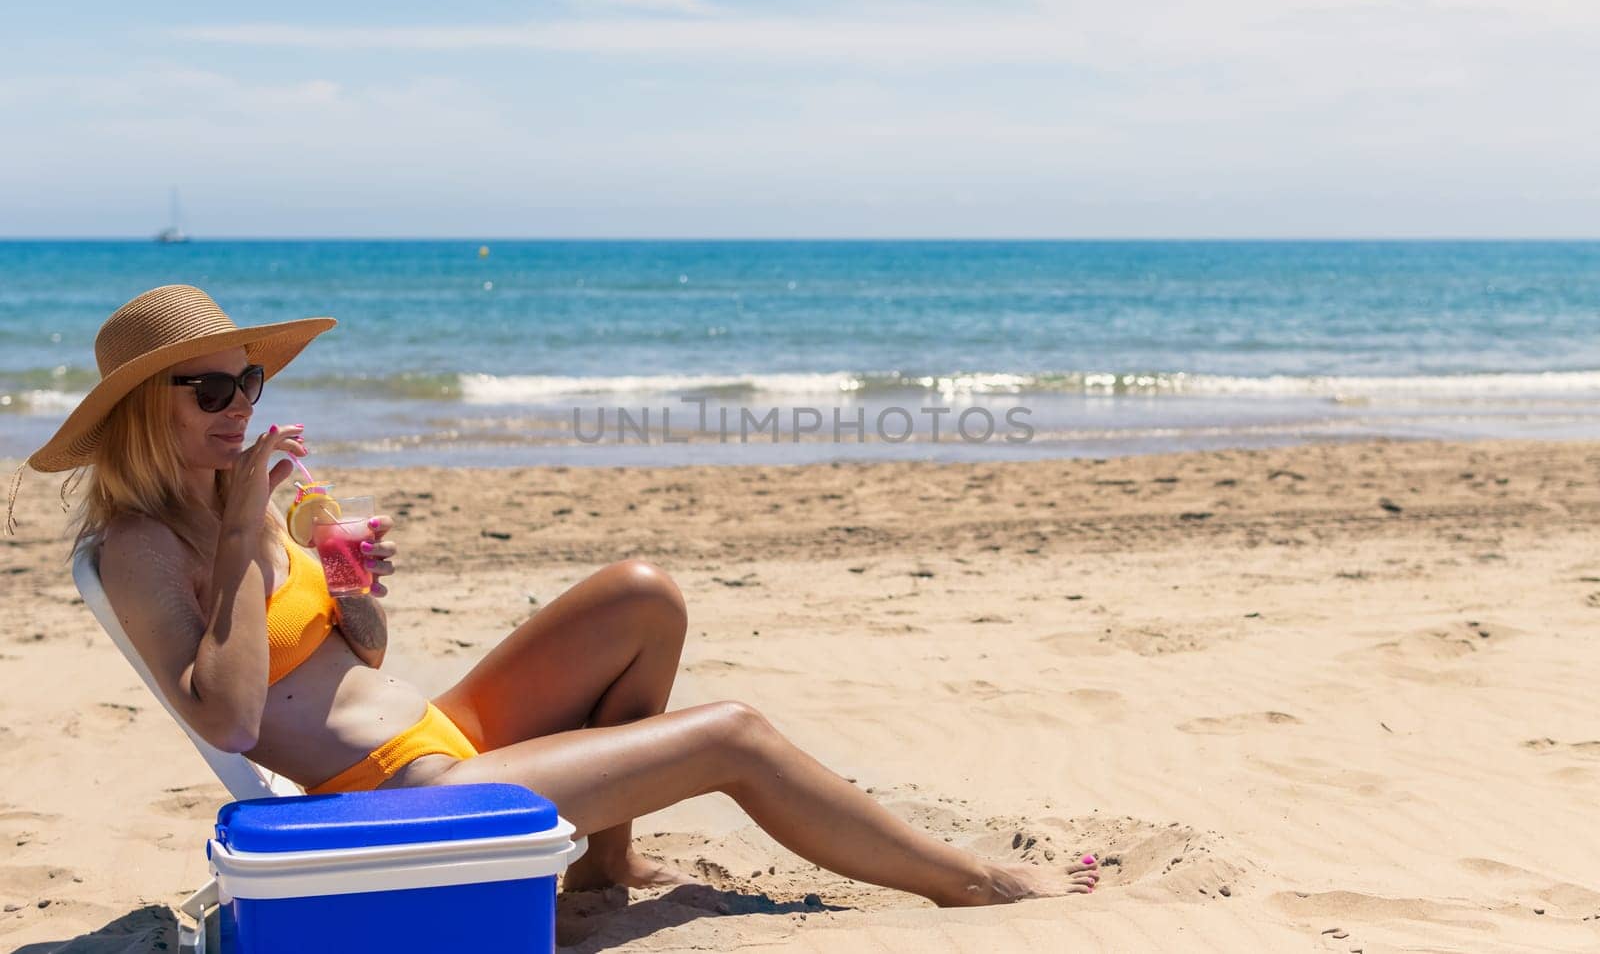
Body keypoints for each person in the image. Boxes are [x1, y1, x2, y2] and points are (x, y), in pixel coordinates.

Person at [5, 284, 1098, 906]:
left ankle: (602, 867)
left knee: (642, 594)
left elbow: (364, 660)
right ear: (144, 409)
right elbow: (234, 717)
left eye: (249, 379)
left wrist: (346, 582)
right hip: (396, 798)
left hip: (438, 739)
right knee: (735, 736)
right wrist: (250, 532)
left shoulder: (250, 498)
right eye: (211, 386)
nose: (241, 402)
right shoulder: (143, 546)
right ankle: (975, 884)